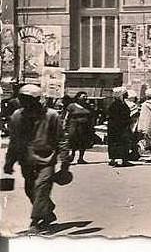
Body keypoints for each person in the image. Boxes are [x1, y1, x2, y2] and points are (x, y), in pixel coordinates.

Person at [3, 84, 72, 231]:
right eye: (21, 98)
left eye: (27, 99)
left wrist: (65, 162)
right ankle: (47, 212)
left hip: (47, 159)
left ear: (36, 99)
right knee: (30, 189)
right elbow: (14, 141)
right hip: (26, 160)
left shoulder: (51, 115)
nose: (23, 102)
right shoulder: (17, 116)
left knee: (41, 188)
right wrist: (9, 162)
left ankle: (35, 222)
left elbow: (61, 139)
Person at [62, 91, 94, 164]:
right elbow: (67, 116)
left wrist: (92, 126)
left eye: (86, 96)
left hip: (85, 127)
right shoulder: (72, 106)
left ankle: (81, 158)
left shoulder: (87, 106)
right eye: (83, 96)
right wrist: (64, 125)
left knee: (83, 142)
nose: (85, 98)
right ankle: (72, 156)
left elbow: (91, 117)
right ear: (78, 97)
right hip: (74, 126)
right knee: (74, 140)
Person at [106, 87, 134, 167]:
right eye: (125, 93)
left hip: (118, 126)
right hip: (119, 127)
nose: (127, 95)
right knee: (120, 142)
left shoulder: (121, 103)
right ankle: (121, 160)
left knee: (117, 142)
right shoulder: (116, 105)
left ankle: (116, 159)